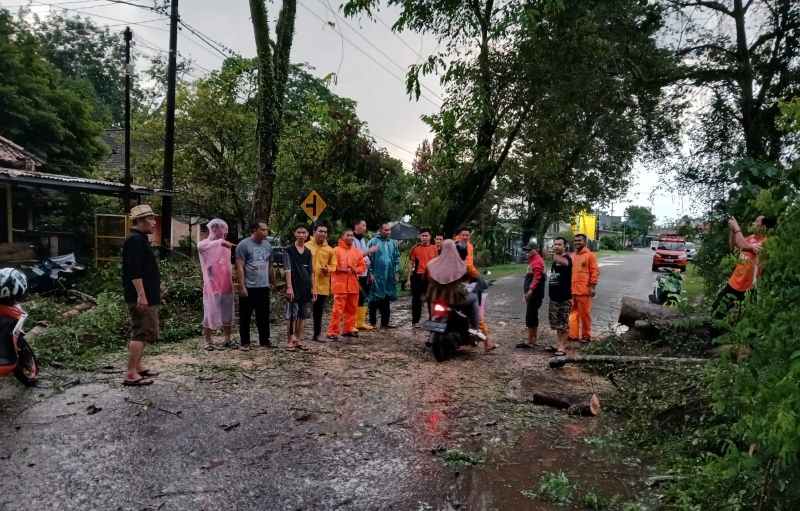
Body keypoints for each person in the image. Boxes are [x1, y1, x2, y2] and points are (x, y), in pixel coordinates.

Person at [427, 240, 495, 352]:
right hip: (454, 298)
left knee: (434, 310)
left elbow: (427, 279)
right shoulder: (462, 265)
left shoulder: (433, 263)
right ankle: (475, 329)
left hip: (437, 297)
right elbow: (477, 279)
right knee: (473, 300)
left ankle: (431, 333)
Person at [121, 204, 161, 386]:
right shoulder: (135, 241)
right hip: (141, 296)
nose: (154, 223)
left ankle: (138, 366)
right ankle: (130, 373)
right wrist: (141, 295)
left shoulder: (141, 239)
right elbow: (134, 271)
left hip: (148, 294)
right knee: (141, 332)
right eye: (151, 219)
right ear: (141, 220)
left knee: (145, 331)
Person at [712, 215, 776, 318]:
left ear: (763, 227)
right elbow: (733, 245)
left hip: (749, 287)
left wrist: (737, 227)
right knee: (717, 308)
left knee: (748, 316)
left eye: (756, 222)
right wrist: (732, 230)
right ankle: (714, 330)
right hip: (734, 282)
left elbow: (742, 244)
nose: (753, 224)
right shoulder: (750, 238)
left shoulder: (766, 242)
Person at [198, 219, 236, 351]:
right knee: (209, 312)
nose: (223, 233)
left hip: (226, 283)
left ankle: (227, 339)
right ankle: (208, 341)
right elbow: (201, 248)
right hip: (211, 286)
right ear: (212, 229)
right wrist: (220, 242)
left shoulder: (225, 245)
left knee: (227, 312)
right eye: (220, 230)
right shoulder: (205, 244)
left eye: (224, 230)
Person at [235, 221, 273, 351]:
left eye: (266, 230)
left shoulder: (268, 245)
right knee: (245, 316)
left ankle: (264, 340)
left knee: (263, 315)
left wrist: (271, 281)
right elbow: (239, 266)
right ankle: (245, 342)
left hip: (263, 286)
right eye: (263, 230)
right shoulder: (243, 245)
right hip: (249, 286)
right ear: (255, 230)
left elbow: (269, 264)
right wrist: (241, 285)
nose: (265, 233)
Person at [327, 229, 366, 340]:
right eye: (348, 235)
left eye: (352, 235)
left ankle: (348, 329)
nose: (350, 237)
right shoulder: (335, 250)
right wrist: (341, 269)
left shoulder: (357, 251)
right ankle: (332, 332)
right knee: (338, 310)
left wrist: (355, 269)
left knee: (352, 309)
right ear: (342, 237)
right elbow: (330, 266)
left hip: (353, 285)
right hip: (340, 285)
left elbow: (362, 267)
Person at [284, 225, 316, 350]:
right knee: (292, 314)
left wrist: (313, 288)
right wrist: (289, 286)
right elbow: (287, 269)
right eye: (299, 232)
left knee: (303, 314)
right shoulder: (288, 250)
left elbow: (311, 271)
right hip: (293, 285)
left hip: (306, 285)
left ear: (307, 234)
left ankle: (299, 339)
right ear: (295, 234)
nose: (302, 235)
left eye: (304, 232)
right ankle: (290, 339)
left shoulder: (308, 252)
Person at [306, 223, 336, 342]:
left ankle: (317, 334)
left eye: (325, 232)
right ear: (314, 232)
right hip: (306, 283)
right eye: (320, 231)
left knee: (318, 311)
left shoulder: (329, 249)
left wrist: (327, 269)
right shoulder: (306, 246)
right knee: (300, 309)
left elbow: (334, 265)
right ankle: (295, 335)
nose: (323, 234)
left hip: (322, 284)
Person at [368, 223, 400, 329]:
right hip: (376, 275)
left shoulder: (393, 243)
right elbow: (368, 259)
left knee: (386, 298)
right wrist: (370, 272)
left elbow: (396, 258)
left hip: (389, 276)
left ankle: (385, 323)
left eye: (389, 230)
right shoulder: (373, 242)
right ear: (380, 230)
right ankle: (372, 322)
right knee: (374, 299)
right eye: (386, 230)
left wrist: (396, 272)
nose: (388, 232)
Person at [568, 233, 599, 342]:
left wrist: (593, 287)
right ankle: (573, 335)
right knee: (572, 313)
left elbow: (594, 272)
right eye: (575, 240)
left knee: (585, 315)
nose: (577, 242)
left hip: (584, 291)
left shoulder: (590, 255)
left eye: (579, 240)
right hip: (572, 290)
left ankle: (586, 336)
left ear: (585, 242)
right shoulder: (572, 256)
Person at [517, 241, 546, 350]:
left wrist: (530, 291)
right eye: (526, 250)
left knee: (530, 316)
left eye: (530, 250)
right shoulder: (533, 260)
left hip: (534, 294)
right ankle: (533, 339)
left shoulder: (537, 261)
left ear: (536, 250)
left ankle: (531, 341)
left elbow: (537, 277)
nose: (527, 252)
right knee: (533, 315)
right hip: (534, 294)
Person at [408, 228, 439, 328]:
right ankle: (415, 321)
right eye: (423, 236)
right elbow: (411, 264)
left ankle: (432, 319)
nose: (424, 238)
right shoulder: (415, 249)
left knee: (432, 299)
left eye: (426, 235)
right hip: (418, 276)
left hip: (431, 277)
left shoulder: (435, 248)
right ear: (420, 237)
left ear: (430, 237)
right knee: (416, 300)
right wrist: (408, 279)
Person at [547, 237, 572, 356]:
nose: (556, 246)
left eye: (559, 245)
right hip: (554, 296)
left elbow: (565, 263)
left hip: (564, 297)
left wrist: (551, 255)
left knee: (564, 323)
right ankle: (558, 344)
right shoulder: (555, 260)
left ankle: (562, 347)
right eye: (555, 244)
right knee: (556, 323)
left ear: (565, 246)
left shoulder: (567, 258)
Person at [352, 220, 375, 332]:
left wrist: (370, 272)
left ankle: (360, 322)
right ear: (356, 226)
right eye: (363, 225)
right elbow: (354, 256)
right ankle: (352, 322)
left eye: (366, 225)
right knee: (355, 298)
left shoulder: (363, 239)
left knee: (363, 297)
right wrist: (369, 251)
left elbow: (365, 257)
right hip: (355, 273)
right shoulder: (351, 239)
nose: (365, 227)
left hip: (365, 272)